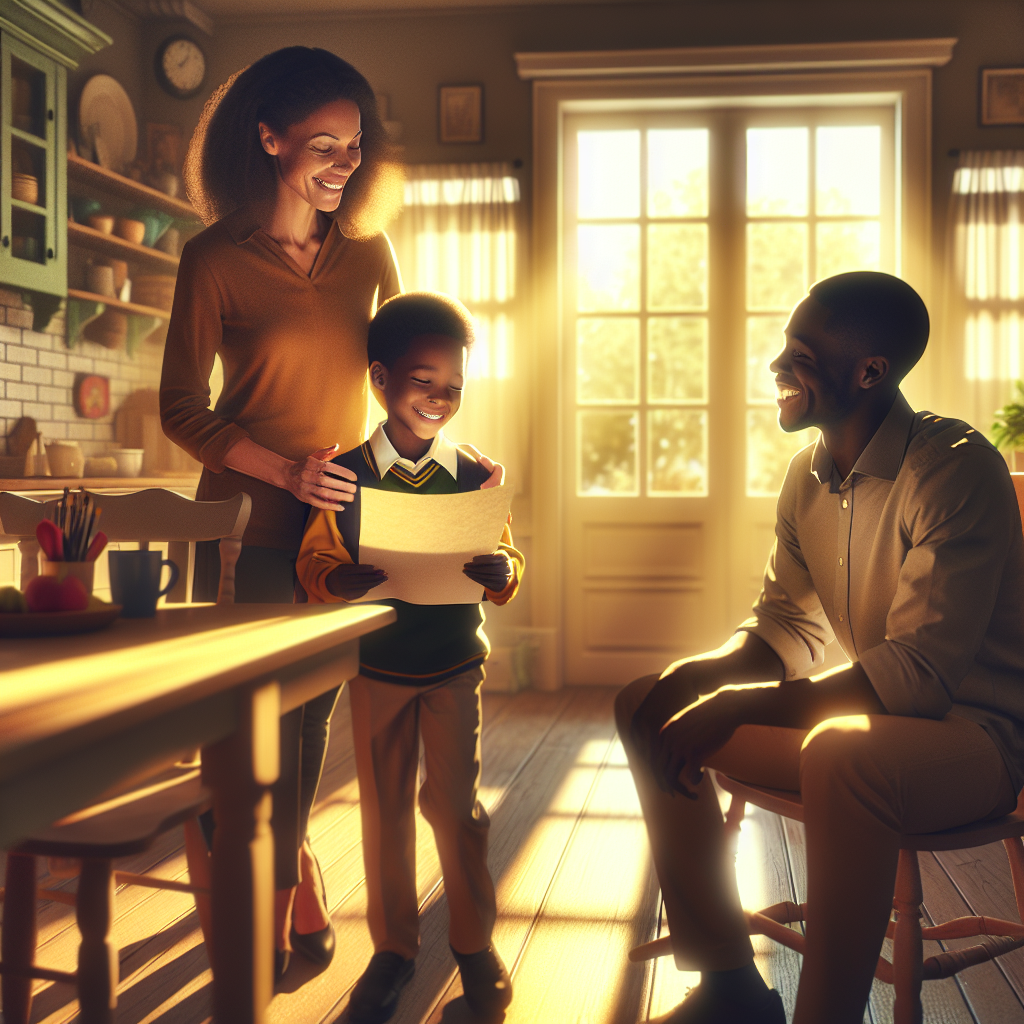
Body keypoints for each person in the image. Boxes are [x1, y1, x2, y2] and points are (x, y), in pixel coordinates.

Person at [160, 48, 500, 977]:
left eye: (354, 145)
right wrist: (284, 470)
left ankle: (288, 880)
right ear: (269, 140)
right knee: (256, 734)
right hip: (244, 531)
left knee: (309, 725)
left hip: (341, 529)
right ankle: (270, 917)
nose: (345, 163)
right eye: (324, 145)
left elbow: (413, 377)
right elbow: (181, 407)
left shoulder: (368, 255)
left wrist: (459, 461)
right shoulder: (214, 260)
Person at [616, 271, 1024, 1024]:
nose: (777, 365)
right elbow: (786, 627)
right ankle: (731, 989)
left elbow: (918, 675)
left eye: (800, 356)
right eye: (784, 348)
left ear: (870, 372)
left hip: (978, 745)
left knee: (840, 751)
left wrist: (738, 705)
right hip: (870, 738)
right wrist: (698, 677)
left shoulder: (954, 467)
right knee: (648, 702)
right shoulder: (806, 476)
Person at [297, 292, 524, 1023]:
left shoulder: (475, 474)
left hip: (455, 664)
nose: (440, 399)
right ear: (380, 379)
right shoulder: (344, 474)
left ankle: (474, 945)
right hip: (377, 669)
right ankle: (393, 949)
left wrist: (504, 573)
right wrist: (336, 579)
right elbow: (315, 561)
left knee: (457, 811)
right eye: (424, 381)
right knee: (385, 813)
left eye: (454, 387)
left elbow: (506, 556)